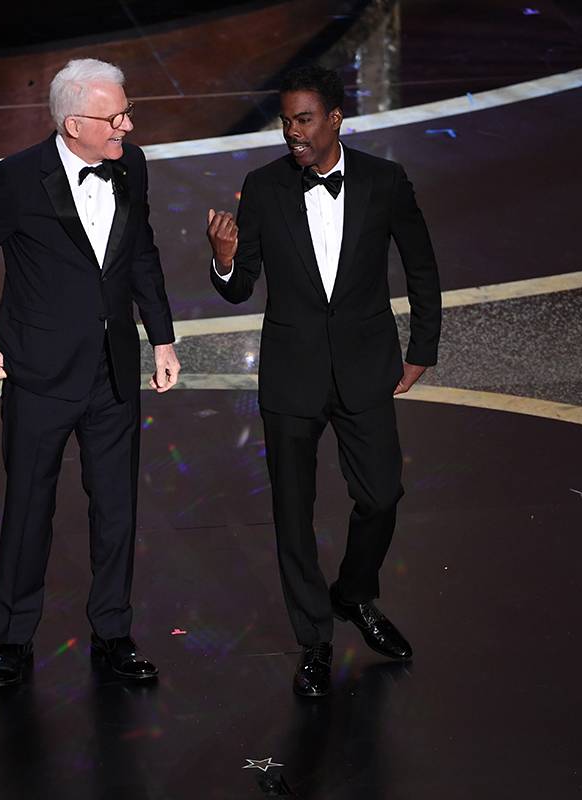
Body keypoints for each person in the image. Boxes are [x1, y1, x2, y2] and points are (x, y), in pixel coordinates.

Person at [206, 64, 441, 697]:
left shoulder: (385, 181)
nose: (293, 133)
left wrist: (423, 348)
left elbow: (421, 266)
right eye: (286, 121)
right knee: (292, 513)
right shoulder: (262, 188)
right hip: (292, 376)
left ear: (335, 118)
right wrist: (225, 263)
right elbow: (240, 285)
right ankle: (313, 639)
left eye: (304, 120)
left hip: (366, 368)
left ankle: (355, 593)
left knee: (383, 494)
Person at [0, 58, 181, 689]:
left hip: (113, 375)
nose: (127, 127)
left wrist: (161, 336)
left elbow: (142, 253)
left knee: (117, 509)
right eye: (116, 117)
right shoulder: (17, 180)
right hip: (41, 375)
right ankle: (14, 642)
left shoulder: (131, 166)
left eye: (127, 113)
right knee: (29, 510)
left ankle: (113, 631)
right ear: (73, 123)